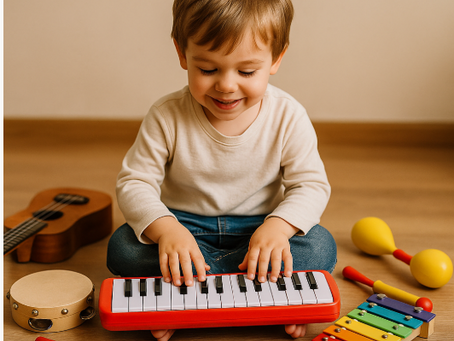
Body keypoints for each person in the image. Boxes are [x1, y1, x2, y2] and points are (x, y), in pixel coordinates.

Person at [107, 0, 337, 339]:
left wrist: (278, 227)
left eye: (246, 72)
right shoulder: (166, 115)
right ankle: (271, 294)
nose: (227, 85)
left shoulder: (288, 116)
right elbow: (134, 182)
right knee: (124, 247)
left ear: (276, 59)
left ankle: (183, 294)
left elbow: (311, 185)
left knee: (319, 246)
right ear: (182, 53)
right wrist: (167, 231)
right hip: (185, 227)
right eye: (208, 69)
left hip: (258, 231)